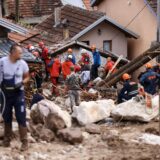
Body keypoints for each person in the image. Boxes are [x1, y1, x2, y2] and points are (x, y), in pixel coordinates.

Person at [0, 44, 30, 151]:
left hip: (18, 94)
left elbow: (27, 77)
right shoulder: (2, 62)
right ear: (12, 52)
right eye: (19, 52)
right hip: (5, 94)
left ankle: (24, 142)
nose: (21, 54)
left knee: (21, 117)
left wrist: (22, 82)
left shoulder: (23, 63)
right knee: (6, 116)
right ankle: (7, 140)